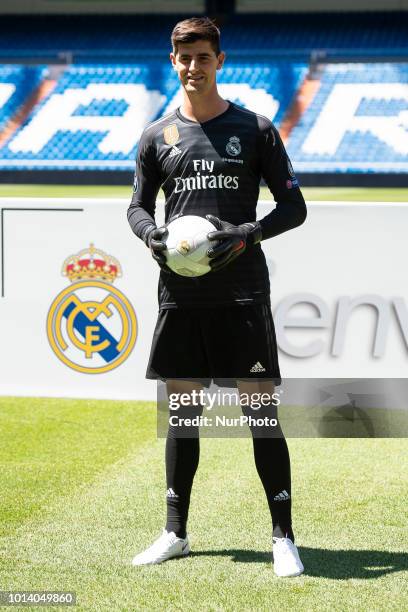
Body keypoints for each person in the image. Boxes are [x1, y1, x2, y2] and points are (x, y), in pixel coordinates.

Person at [127, 16, 307, 577]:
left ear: (219, 61)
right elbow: (136, 206)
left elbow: (294, 207)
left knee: (260, 412)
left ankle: (283, 537)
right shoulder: (157, 135)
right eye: (183, 58)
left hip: (242, 293)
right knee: (183, 412)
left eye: (202, 57)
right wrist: (150, 234)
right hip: (180, 297)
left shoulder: (254, 128)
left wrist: (247, 233)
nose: (192, 67)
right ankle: (174, 532)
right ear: (173, 60)